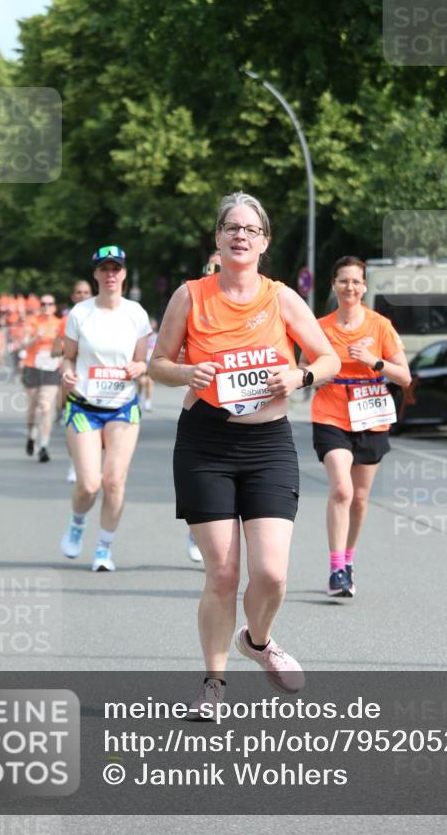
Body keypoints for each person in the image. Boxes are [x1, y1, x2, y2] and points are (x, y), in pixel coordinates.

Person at [150, 193, 340, 714]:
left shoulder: (281, 298)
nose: (240, 236)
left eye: (250, 230)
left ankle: (257, 641)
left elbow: (328, 357)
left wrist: (300, 375)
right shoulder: (191, 296)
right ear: (217, 238)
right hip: (205, 443)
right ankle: (213, 685)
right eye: (231, 227)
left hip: (268, 445)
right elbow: (158, 364)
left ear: (264, 242)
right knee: (224, 574)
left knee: (273, 573)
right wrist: (187, 372)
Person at [302, 256, 411, 599]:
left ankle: (348, 560)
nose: (350, 287)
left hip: (371, 416)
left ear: (364, 287)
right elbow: (304, 366)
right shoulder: (319, 326)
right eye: (343, 281)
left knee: (360, 499)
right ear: (333, 286)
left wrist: (373, 362)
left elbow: (404, 377)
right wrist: (318, 374)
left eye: (356, 282)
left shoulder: (380, 326)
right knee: (342, 490)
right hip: (331, 414)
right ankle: (336, 569)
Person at [59, 245, 151, 572]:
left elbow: (143, 359)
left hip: (123, 407)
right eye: (104, 268)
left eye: (116, 268)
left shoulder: (136, 314)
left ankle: (103, 549)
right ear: (96, 274)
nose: (110, 274)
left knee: (114, 481)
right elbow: (68, 356)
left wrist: (140, 368)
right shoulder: (80, 314)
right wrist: (67, 372)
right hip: (84, 406)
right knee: (88, 484)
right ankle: (77, 522)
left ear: (124, 273)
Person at [185, 250, 222, 565]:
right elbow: (167, 358)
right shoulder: (193, 298)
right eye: (212, 266)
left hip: (251, 415)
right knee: (207, 487)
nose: (216, 269)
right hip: (203, 405)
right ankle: (196, 528)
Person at [51, 279, 93, 482]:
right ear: (73, 296)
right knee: (74, 424)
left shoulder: (100, 316)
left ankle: (90, 464)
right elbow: (54, 350)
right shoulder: (66, 321)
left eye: (86, 292)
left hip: (96, 378)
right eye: (79, 292)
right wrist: (71, 348)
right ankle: (74, 463)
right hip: (73, 375)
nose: (83, 295)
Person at [21, 295, 62, 462]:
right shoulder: (32, 321)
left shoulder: (59, 324)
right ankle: (31, 435)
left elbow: (65, 345)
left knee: (46, 407)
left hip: (51, 368)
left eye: (50, 303)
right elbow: (24, 344)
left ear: (54, 306)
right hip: (32, 366)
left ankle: (44, 446)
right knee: (33, 408)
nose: (46, 306)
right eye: (43, 303)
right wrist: (36, 337)